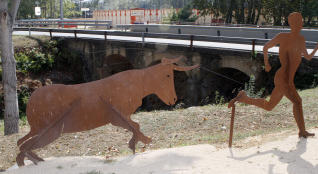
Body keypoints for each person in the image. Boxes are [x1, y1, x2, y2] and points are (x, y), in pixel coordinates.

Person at [228, 12, 318, 138]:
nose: (301, 24)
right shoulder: (283, 37)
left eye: (301, 21)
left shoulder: (301, 39)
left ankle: (244, 98)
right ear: (292, 24)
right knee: (297, 102)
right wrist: (267, 63)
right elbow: (266, 47)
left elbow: (307, 57)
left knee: (270, 106)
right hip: (283, 78)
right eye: (298, 22)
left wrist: (316, 48)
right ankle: (302, 131)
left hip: (288, 79)